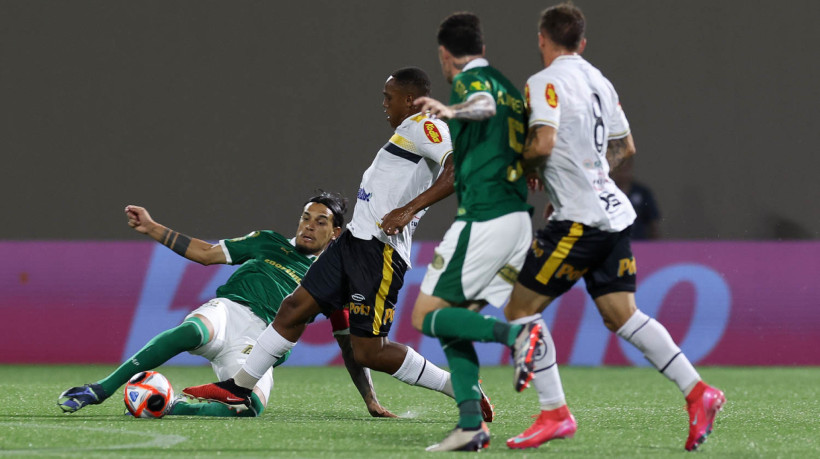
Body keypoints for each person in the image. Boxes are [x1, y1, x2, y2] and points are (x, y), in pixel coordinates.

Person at [183, 67, 495, 422]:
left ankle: (459, 385)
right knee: (292, 309)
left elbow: (459, 170)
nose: (383, 103)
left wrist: (408, 211)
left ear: (411, 100)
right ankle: (238, 387)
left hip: (379, 252)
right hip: (351, 243)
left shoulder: (427, 126)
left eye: (388, 97)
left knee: (369, 352)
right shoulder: (405, 133)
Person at [503, 3, 725, 451]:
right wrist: (585, 177)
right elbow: (625, 147)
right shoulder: (599, 81)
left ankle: (555, 412)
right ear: (581, 43)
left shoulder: (544, 82)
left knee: (519, 310)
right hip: (613, 212)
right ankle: (699, 392)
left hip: (582, 220)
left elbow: (542, 142)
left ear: (542, 39)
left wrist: (519, 164)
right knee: (621, 315)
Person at [58, 192, 395, 418]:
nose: (309, 225)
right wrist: (151, 227)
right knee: (190, 332)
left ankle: (170, 406)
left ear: (336, 233)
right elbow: (205, 254)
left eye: (321, 221)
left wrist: (369, 399)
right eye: (306, 217)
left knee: (251, 408)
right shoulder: (267, 242)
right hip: (229, 311)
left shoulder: (334, 282)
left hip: (260, 345)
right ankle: (99, 389)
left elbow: (349, 346)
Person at [408, 13, 542, 452]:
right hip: (517, 220)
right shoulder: (511, 86)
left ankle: (516, 337)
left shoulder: (471, 84)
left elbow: (480, 106)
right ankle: (470, 424)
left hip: (485, 217)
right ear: (481, 45)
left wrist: (450, 109)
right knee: (453, 321)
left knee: (424, 314)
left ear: (446, 55)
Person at [611, 156, 661, 240]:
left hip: (639, 244)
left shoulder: (642, 192)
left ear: (631, 168)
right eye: (619, 168)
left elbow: (653, 224)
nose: (623, 172)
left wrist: (656, 247)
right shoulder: (606, 192)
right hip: (611, 245)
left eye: (626, 168)